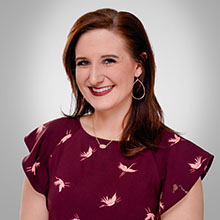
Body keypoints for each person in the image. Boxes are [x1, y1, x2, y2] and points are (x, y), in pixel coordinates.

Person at [20, 8, 214, 220]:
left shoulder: (177, 160)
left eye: (109, 60)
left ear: (139, 65)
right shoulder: (50, 140)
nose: (94, 78)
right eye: (83, 62)